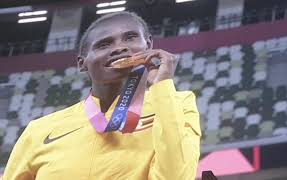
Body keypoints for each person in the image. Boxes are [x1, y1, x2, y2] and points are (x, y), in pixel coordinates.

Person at [3, 11, 201, 180]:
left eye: (131, 37)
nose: (119, 48)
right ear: (82, 63)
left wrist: (162, 86)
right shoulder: (39, 130)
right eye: (103, 45)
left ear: (148, 44)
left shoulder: (177, 104)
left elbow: (176, 176)